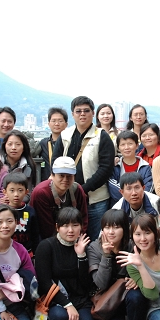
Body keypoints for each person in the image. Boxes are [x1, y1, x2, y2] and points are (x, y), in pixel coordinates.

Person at [34, 207, 98, 320]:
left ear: (81, 227)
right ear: (57, 227)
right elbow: (45, 282)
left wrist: (81, 256)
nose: (70, 230)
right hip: (55, 300)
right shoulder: (46, 246)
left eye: (75, 225)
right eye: (65, 225)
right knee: (59, 318)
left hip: (80, 299)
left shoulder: (85, 246)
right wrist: (67, 305)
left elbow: (86, 283)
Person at [51, 96, 115, 240]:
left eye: (86, 111)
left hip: (95, 199)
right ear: (72, 114)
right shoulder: (65, 135)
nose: (82, 114)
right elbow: (55, 163)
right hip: (67, 198)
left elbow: (105, 168)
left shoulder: (102, 136)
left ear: (93, 113)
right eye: (78, 111)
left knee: (95, 239)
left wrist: (83, 189)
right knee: (69, 237)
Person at [87, 209, 148, 320]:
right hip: (107, 298)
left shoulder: (132, 245)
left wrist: (137, 278)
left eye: (116, 227)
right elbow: (100, 284)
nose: (111, 232)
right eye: (107, 227)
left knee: (136, 296)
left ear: (125, 228)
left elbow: (147, 268)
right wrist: (106, 256)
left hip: (126, 293)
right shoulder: (94, 248)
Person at [30, 156, 89, 240]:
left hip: (74, 236)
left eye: (69, 176)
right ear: (52, 175)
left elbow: (83, 218)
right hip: (46, 238)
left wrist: (79, 238)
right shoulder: (41, 193)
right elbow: (45, 227)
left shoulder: (77, 190)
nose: (65, 179)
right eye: (61, 176)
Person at [108, 130, 154, 204]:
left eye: (130, 144)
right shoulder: (115, 166)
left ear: (137, 146)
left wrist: (134, 199)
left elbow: (148, 189)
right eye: (123, 144)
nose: (126, 147)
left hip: (141, 206)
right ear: (118, 147)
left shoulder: (145, 167)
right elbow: (113, 189)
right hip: (119, 206)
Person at [2, 172, 40, 258]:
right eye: (12, 190)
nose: (16, 194)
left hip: (26, 253)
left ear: (26, 192)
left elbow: (35, 234)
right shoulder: (1, 212)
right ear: (5, 192)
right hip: (6, 253)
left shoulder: (30, 211)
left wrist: (35, 253)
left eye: (20, 190)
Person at [1, 129, 37, 202]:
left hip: (20, 204)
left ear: (24, 147)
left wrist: (14, 200)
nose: (14, 148)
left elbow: (29, 192)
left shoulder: (28, 167)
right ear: (4, 146)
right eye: (10, 144)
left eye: (18, 144)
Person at [39, 107, 68, 182]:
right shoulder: (43, 143)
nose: (57, 124)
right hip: (48, 182)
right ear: (49, 124)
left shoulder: (70, 142)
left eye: (60, 121)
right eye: (53, 121)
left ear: (66, 124)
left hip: (65, 181)